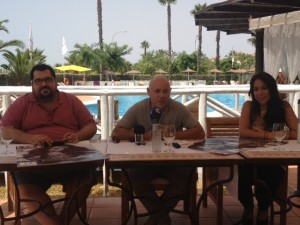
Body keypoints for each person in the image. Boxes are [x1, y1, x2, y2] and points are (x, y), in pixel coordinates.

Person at [1, 64, 97, 225]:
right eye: (38, 81)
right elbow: (4, 131)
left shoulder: (70, 101)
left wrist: (77, 135)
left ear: (55, 82)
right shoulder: (22, 103)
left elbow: (91, 126)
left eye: (48, 80)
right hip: (32, 163)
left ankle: (62, 221)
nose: (44, 84)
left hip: (70, 160)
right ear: (32, 84)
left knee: (85, 179)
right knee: (26, 189)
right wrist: (30, 138)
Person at [111, 76, 205, 225]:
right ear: (148, 92)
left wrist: (171, 134)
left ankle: (157, 217)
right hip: (146, 161)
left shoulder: (178, 108)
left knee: (187, 176)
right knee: (134, 176)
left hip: (173, 160)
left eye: (165, 91)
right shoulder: (139, 108)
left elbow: (200, 132)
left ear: (170, 92)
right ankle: (162, 218)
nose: (161, 95)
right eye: (157, 91)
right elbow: (116, 133)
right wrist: (141, 135)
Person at [239, 72, 297, 225]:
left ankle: (263, 209)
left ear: (271, 88)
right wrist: (270, 135)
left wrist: (265, 134)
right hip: (249, 155)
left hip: (274, 157)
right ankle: (248, 206)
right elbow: (243, 131)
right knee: (243, 168)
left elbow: (297, 132)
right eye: (256, 89)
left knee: (271, 169)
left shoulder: (283, 106)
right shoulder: (249, 106)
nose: (259, 93)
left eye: (264, 88)